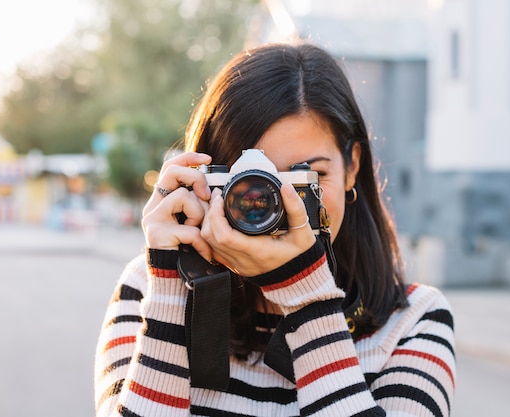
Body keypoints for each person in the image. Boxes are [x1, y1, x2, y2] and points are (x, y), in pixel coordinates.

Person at [94, 41, 456, 417]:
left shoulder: (414, 320)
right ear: (206, 180)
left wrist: (305, 293)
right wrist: (173, 282)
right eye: (250, 183)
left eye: (307, 178)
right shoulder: (148, 287)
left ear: (352, 167)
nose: (280, 204)